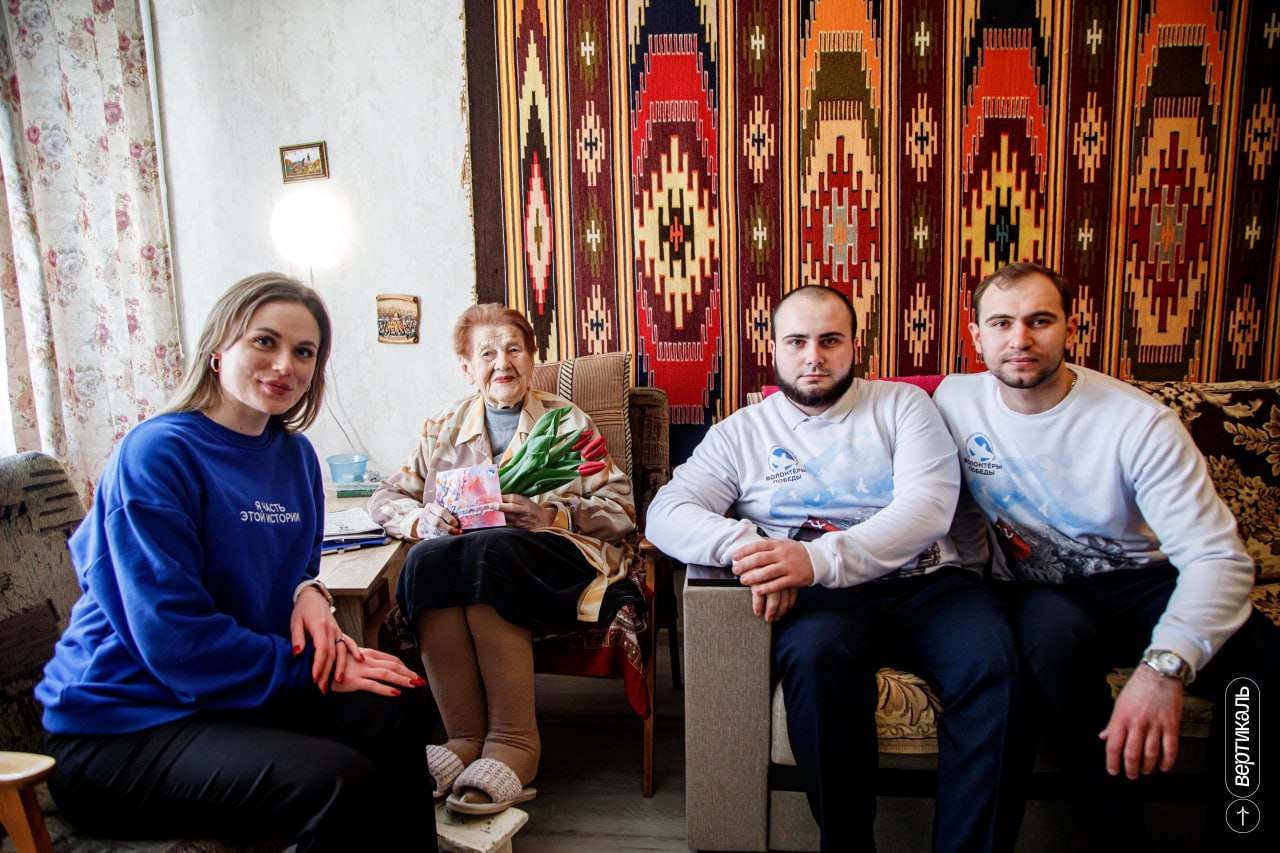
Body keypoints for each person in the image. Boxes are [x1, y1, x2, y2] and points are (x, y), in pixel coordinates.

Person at [36, 274, 434, 852]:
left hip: (221, 698)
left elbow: (296, 564)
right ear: (219, 347)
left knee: (399, 703)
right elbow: (175, 641)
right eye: (264, 341)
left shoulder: (295, 456)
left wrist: (309, 592)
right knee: (340, 784)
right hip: (122, 725)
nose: (285, 365)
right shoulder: (157, 454)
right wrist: (314, 669)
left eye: (304, 352)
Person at [646, 285, 1023, 852]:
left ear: (854, 346)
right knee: (817, 657)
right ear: (774, 348)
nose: (813, 357)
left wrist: (813, 558)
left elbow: (927, 509)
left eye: (830, 340)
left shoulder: (902, 406)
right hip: (824, 599)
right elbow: (665, 514)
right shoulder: (741, 433)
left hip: (929, 585)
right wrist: (754, 549)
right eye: (797, 341)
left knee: (994, 664)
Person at [933, 261, 1278, 848]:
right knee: (1051, 649)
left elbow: (1217, 558)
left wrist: (1164, 666)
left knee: (1261, 673)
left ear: (1071, 328)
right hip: (1045, 593)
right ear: (976, 336)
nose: (1020, 339)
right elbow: (865, 405)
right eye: (1002, 323)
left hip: (1145, 582)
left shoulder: (1140, 423)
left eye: (1040, 321)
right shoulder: (953, 399)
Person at [369, 303, 642, 815]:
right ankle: (464, 738)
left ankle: (516, 742)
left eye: (514, 349)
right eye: (487, 354)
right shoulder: (442, 427)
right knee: (426, 560)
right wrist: (421, 520)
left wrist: (551, 514)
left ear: (532, 357)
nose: (502, 363)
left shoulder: (567, 422)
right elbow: (386, 497)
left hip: (558, 559)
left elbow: (622, 509)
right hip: (474, 561)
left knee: (487, 552)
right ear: (466, 367)